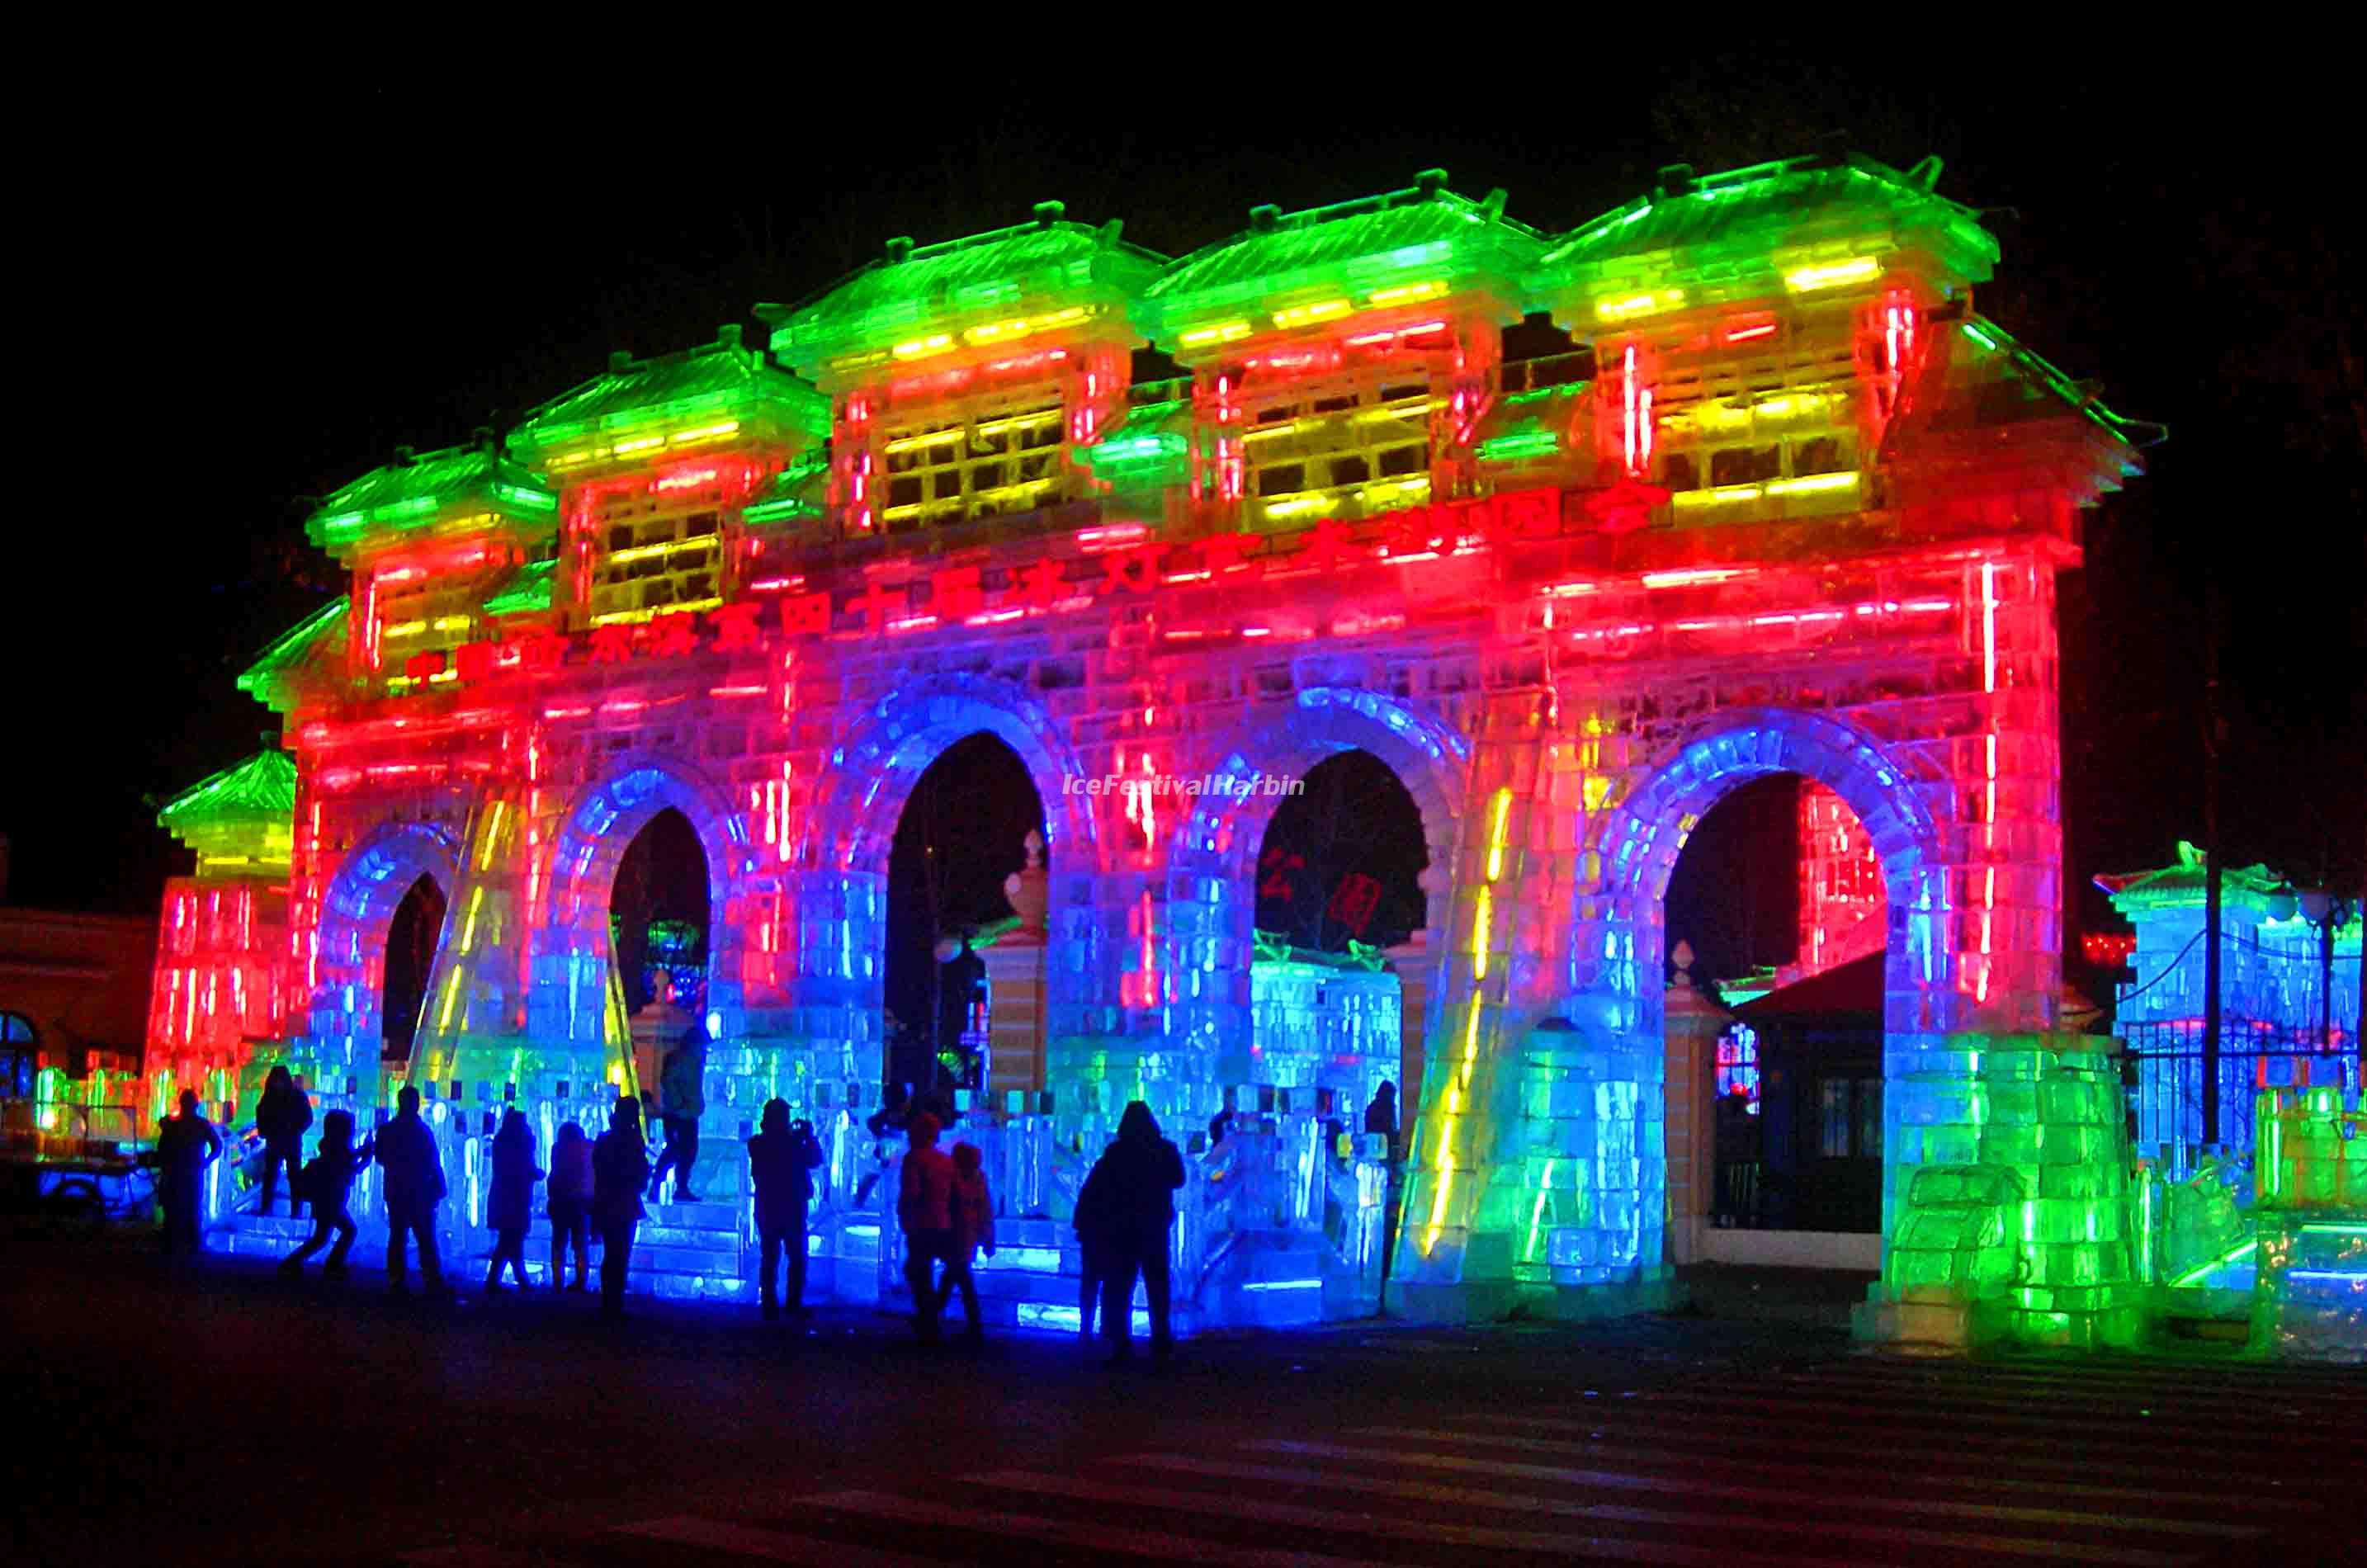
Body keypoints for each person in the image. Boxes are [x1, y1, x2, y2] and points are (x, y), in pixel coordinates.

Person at [1086, 1101, 1185, 1360]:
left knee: (1122, 1283)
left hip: (1123, 1226)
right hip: (1154, 1224)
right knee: (1157, 1284)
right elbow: (1178, 1179)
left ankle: (1121, 1339)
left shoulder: (1116, 1152)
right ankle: (1161, 1338)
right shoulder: (1165, 1149)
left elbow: (1103, 1185)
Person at [747, 1099, 825, 1320]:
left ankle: (771, 1306)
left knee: (771, 1257)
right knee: (794, 1257)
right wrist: (807, 1136)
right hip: (790, 1206)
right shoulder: (785, 1143)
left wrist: (802, 1137)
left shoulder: (759, 1143)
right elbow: (814, 1159)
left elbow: (813, 1160)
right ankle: (790, 1304)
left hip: (770, 1206)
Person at [280, 1109, 373, 1281]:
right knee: (343, 1232)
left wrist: (364, 1153)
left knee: (323, 1237)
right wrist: (367, 1157)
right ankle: (328, 1265)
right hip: (332, 1200)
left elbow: (351, 1159)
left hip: (326, 1200)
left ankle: (297, 1263)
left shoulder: (331, 1148)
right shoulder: (340, 1152)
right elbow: (353, 1168)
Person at [376, 1086, 447, 1297]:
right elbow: (433, 1160)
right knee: (425, 1237)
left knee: (399, 1236)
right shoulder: (421, 1131)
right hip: (418, 1191)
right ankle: (431, 1279)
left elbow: (380, 1157)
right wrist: (439, 1184)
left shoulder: (388, 1130)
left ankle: (397, 1279)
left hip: (397, 1189)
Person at [895, 1112, 956, 1343]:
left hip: (920, 1223)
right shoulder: (944, 1161)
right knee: (937, 1270)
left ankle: (928, 1317)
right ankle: (932, 1314)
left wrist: (905, 1216)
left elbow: (911, 1192)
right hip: (941, 1222)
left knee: (918, 1272)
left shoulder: (914, 1159)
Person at [591, 1095, 650, 1322]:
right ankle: (613, 1303)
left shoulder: (605, 1141)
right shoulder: (631, 1140)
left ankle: (610, 1301)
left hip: (607, 1201)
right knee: (620, 1254)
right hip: (623, 1201)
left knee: (612, 1254)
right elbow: (637, 1171)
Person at [154, 1089, 222, 1260]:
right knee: (188, 1208)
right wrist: (205, 1162)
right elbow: (217, 1146)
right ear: (196, 1105)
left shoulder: (176, 1125)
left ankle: (174, 1244)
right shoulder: (198, 1124)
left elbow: (162, 1148)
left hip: (179, 1172)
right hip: (189, 1171)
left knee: (176, 1208)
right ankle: (189, 1244)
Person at [484, 1109, 544, 1292]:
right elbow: (528, 1168)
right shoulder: (521, 1143)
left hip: (503, 1196)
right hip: (517, 1198)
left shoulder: (502, 1141)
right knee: (511, 1239)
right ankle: (515, 1280)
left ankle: (506, 1279)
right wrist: (539, 1174)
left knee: (509, 1239)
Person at [943, 1141, 996, 1346]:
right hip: (966, 1235)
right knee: (957, 1277)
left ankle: (934, 1317)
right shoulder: (977, 1179)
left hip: (957, 1234)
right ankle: (973, 1326)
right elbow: (986, 1211)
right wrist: (988, 1236)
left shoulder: (953, 1178)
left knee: (958, 1278)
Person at [648, 1027, 706, 1203]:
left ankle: (681, 1187)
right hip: (677, 1114)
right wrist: (679, 1104)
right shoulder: (679, 1060)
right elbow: (668, 1082)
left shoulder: (694, 1060)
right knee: (675, 1151)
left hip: (689, 1113)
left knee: (688, 1151)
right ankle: (658, 1185)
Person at [252, 1065, 313, 1218]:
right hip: (276, 1142)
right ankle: (266, 1209)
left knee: (294, 1178)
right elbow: (261, 1114)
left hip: (291, 1142)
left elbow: (307, 1118)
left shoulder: (297, 1096)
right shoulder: (269, 1097)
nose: (277, 1083)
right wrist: (266, 1131)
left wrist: (294, 1130)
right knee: (271, 1176)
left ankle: (295, 1211)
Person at [546, 1120, 593, 1292]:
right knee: (580, 1245)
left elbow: (555, 1176)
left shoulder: (558, 1150)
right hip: (580, 1202)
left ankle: (558, 1282)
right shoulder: (588, 1149)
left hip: (560, 1202)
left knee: (559, 1244)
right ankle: (580, 1282)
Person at [1363, 1081, 1399, 1146]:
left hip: (1373, 1146)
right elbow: (1389, 1129)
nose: (1393, 1098)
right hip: (1383, 1146)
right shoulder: (1388, 1107)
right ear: (1388, 1094)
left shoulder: (1372, 1107)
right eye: (1393, 1095)